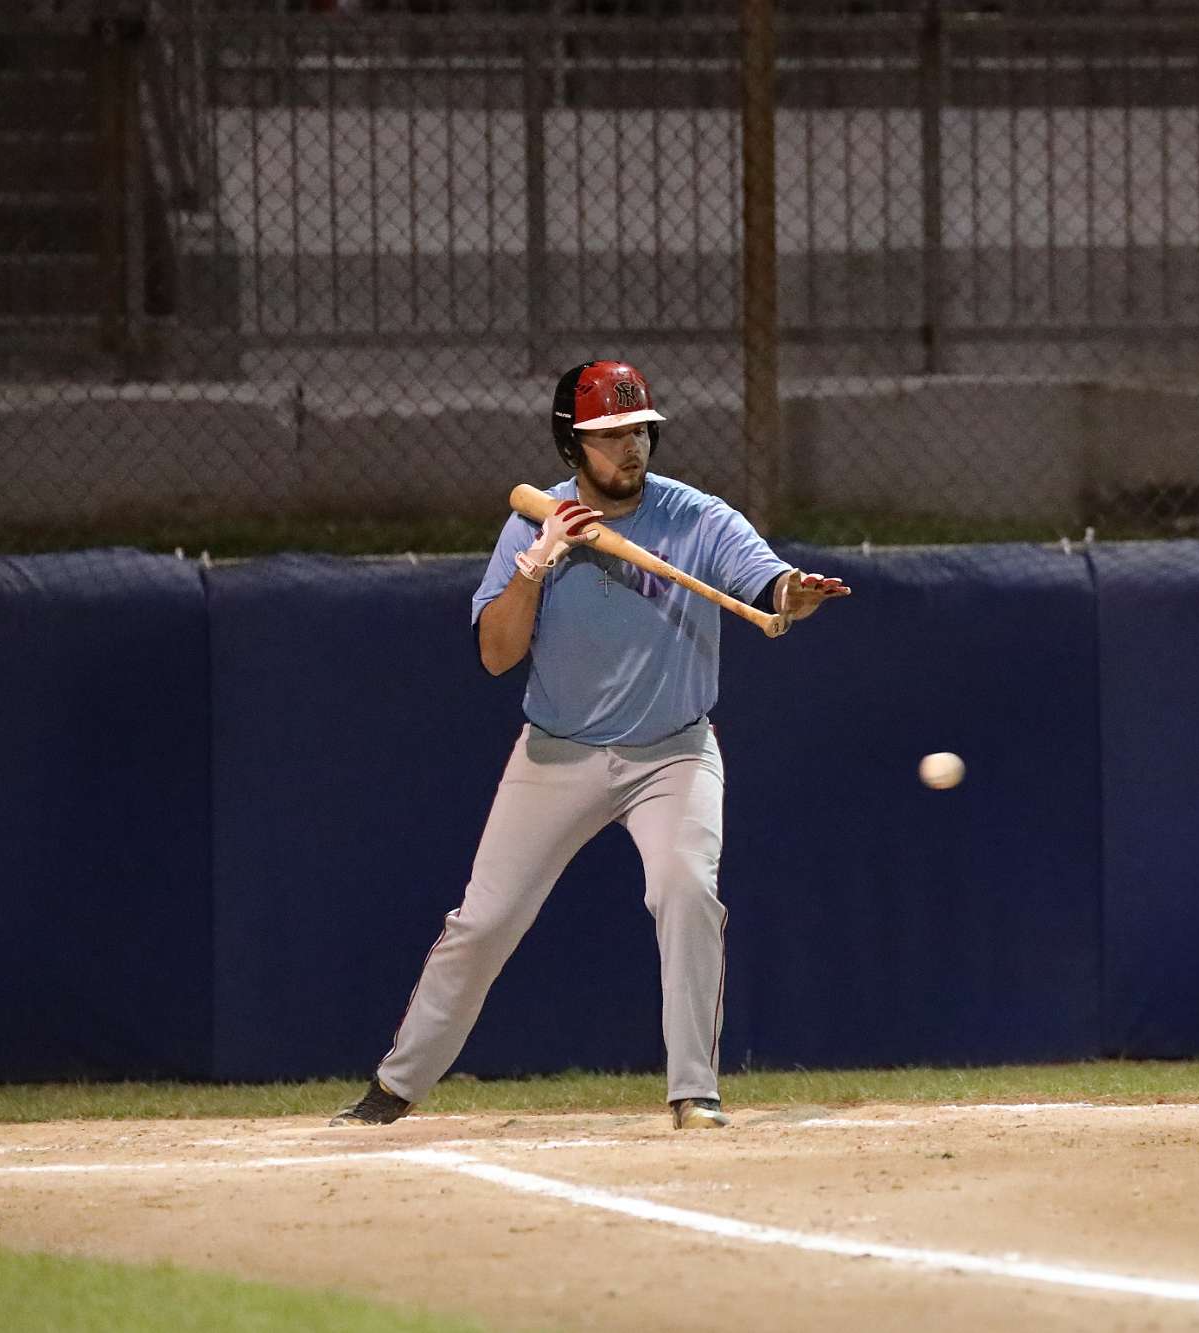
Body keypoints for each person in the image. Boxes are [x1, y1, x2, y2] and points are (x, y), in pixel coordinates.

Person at [332, 360, 850, 1131]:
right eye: (610, 435)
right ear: (572, 443)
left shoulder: (697, 517)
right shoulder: (533, 523)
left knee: (685, 889)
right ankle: (394, 1087)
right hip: (557, 753)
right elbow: (496, 655)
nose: (630, 446)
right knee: (483, 921)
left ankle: (694, 1091)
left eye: (639, 430)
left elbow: (768, 579)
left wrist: (791, 594)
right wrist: (537, 565)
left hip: (673, 754)